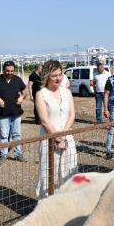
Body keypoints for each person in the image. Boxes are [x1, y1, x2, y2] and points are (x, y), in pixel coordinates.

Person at [35, 60, 78, 198]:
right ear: (47, 76)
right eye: (54, 76)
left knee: (68, 172)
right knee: (48, 174)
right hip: (48, 139)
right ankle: (45, 205)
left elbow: (72, 115)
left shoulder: (67, 92)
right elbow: (44, 121)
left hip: (67, 139)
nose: (58, 78)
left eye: (60, 75)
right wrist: (57, 138)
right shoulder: (41, 94)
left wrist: (63, 137)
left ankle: (67, 204)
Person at [0, 61, 28, 162]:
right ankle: (3, 155)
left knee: (17, 135)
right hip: (3, 113)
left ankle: (18, 154)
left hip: (16, 113)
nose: (10, 73)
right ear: (3, 70)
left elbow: (25, 91)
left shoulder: (17, 79)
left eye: (11, 71)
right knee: (4, 135)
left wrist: (22, 97)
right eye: (7, 71)